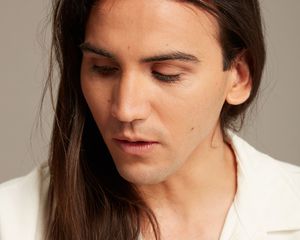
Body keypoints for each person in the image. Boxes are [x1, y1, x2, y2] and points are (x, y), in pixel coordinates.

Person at [0, 0, 299, 239]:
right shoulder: (10, 221)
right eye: (103, 68)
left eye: (166, 74)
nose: (125, 109)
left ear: (238, 76)